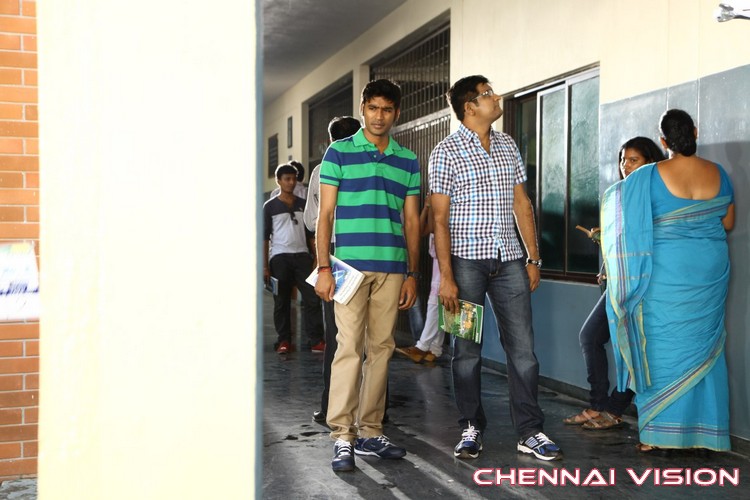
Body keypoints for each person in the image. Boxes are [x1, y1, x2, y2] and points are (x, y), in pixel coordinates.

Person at [429, 75, 562, 461]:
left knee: (523, 350)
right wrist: (446, 277)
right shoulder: (446, 152)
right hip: (465, 265)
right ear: (470, 107)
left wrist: (533, 258)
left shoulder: (507, 145)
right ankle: (471, 426)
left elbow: (522, 203)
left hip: (509, 263)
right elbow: (439, 219)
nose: (496, 96)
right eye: (488, 93)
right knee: (465, 350)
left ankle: (530, 431)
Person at [601, 109, 735, 452]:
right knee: (704, 348)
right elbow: (728, 222)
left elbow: (624, 222)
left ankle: (658, 435)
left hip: (664, 272)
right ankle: (706, 434)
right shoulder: (718, 173)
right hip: (709, 270)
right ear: (695, 131)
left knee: (659, 346)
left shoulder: (646, 177)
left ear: (663, 141)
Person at [315, 79, 421, 472]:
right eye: (373, 108)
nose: (379, 116)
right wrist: (323, 267)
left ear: (397, 113)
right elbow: (326, 215)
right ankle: (343, 436)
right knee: (348, 347)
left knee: (381, 349)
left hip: (392, 268)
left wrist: (412, 272)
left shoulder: (407, 160)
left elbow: (412, 221)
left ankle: (370, 431)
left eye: (387, 109)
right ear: (362, 109)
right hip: (348, 268)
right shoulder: (338, 153)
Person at [564, 137, 665, 430]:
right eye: (623, 160)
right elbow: (623, 240)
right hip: (618, 281)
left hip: (646, 283)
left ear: (650, 163)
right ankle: (598, 405)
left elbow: (650, 239)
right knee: (590, 336)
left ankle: (615, 409)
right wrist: (606, 256)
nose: (626, 166)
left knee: (633, 345)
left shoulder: (657, 193)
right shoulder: (619, 195)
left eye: (634, 160)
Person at [303, 116, 361, 425]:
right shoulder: (372, 162)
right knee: (373, 335)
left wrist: (321, 260)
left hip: (337, 254)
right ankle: (375, 409)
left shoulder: (322, 168)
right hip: (371, 250)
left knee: (337, 334)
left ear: (330, 141)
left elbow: (312, 220)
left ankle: (331, 408)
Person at [263, 163, 324, 354]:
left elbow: (311, 233)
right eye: (286, 179)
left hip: (302, 256)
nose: (291, 182)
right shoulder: (270, 207)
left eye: (293, 179)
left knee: (312, 298)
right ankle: (284, 341)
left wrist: (317, 257)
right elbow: (264, 238)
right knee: (281, 301)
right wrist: (265, 266)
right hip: (279, 257)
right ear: (278, 181)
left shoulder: (303, 204)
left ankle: (316, 340)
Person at [396, 195, 445, 363]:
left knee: (437, 300)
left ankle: (423, 346)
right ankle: (435, 348)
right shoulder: (437, 201)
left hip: (451, 255)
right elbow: (424, 230)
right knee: (442, 302)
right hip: (438, 255)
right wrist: (427, 207)